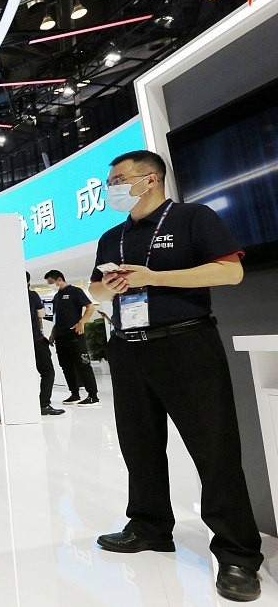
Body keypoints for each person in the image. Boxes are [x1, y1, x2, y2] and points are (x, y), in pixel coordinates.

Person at [89, 150, 261, 602]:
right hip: (128, 347)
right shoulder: (112, 237)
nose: (112, 189)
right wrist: (112, 286)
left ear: (150, 179)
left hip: (186, 343)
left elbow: (230, 272)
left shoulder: (192, 218)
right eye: (110, 182)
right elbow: (95, 289)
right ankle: (148, 526)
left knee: (214, 448)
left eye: (118, 180)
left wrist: (154, 277)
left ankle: (238, 553)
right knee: (139, 445)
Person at [44, 270, 100, 407]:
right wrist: (53, 333)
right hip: (60, 336)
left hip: (75, 334)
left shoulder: (75, 291)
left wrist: (82, 322)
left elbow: (90, 307)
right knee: (66, 366)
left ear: (59, 279)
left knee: (83, 364)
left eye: (51, 282)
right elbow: (56, 317)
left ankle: (93, 396)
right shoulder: (56, 297)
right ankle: (74, 393)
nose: (50, 285)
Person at [28, 272, 64, 416]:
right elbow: (41, 314)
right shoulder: (32, 295)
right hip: (36, 339)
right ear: (28, 282)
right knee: (47, 372)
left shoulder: (8, 297)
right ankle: (44, 404)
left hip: (18, 342)